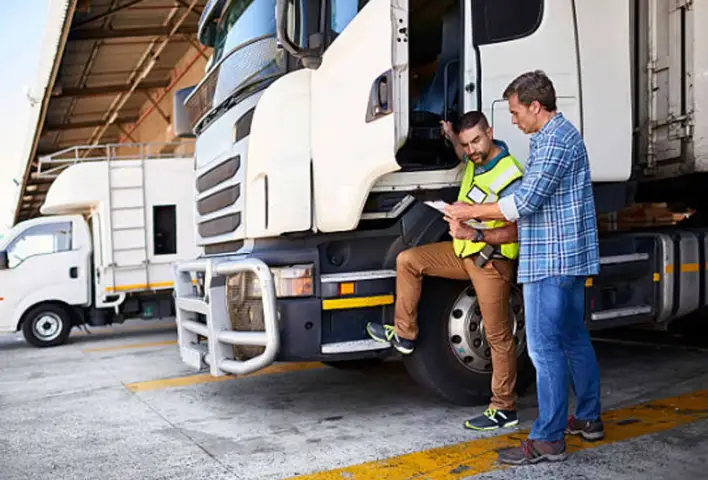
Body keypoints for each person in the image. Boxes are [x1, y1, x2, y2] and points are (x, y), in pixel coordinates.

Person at [444, 70, 603, 465]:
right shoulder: (557, 138)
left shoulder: (553, 142)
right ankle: (587, 418)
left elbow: (523, 203)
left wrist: (469, 211)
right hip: (563, 258)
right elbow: (534, 210)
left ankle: (548, 439)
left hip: (551, 260)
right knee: (572, 338)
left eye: (517, 112)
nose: (513, 121)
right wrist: (479, 231)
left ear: (536, 106)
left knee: (544, 349)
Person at [366, 111, 526, 431]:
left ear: (490, 133)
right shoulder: (473, 160)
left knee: (497, 337)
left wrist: (476, 233)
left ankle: (504, 407)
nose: (471, 150)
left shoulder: (510, 175)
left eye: (477, 141)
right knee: (408, 261)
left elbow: (518, 231)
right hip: (464, 253)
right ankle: (405, 336)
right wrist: (452, 136)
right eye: (467, 145)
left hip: (490, 262)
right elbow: (461, 152)